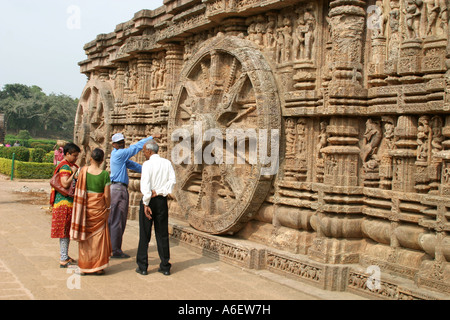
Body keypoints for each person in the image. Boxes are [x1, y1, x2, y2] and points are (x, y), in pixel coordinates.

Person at [109, 132, 159, 259]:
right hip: (118, 189)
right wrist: (151, 137)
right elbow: (135, 148)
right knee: (118, 219)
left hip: (117, 188)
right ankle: (115, 249)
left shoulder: (119, 157)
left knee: (116, 219)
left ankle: (112, 247)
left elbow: (134, 166)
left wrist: (150, 169)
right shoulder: (119, 153)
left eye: (123, 141)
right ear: (114, 144)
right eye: (119, 142)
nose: (122, 144)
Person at [136, 140, 176, 276]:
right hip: (161, 200)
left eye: (144, 151)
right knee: (162, 233)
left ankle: (142, 266)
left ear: (149, 151)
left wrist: (146, 203)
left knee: (144, 234)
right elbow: (172, 181)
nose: (143, 154)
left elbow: (145, 184)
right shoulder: (167, 163)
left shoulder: (147, 165)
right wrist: (160, 191)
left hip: (149, 201)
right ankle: (165, 266)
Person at [70, 148, 112, 275]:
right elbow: (107, 195)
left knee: (85, 238)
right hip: (99, 209)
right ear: (102, 160)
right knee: (99, 238)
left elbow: (74, 179)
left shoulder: (83, 171)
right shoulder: (104, 174)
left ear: (90, 158)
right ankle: (98, 267)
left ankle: (84, 266)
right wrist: (108, 207)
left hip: (84, 208)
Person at [50, 142, 80, 268]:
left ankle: (65, 255)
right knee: (64, 231)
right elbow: (65, 183)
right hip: (64, 203)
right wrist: (74, 173)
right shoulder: (66, 167)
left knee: (65, 231)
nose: (76, 158)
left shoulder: (67, 165)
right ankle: (63, 258)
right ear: (67, 154)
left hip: (64, 203)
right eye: (74, 156)